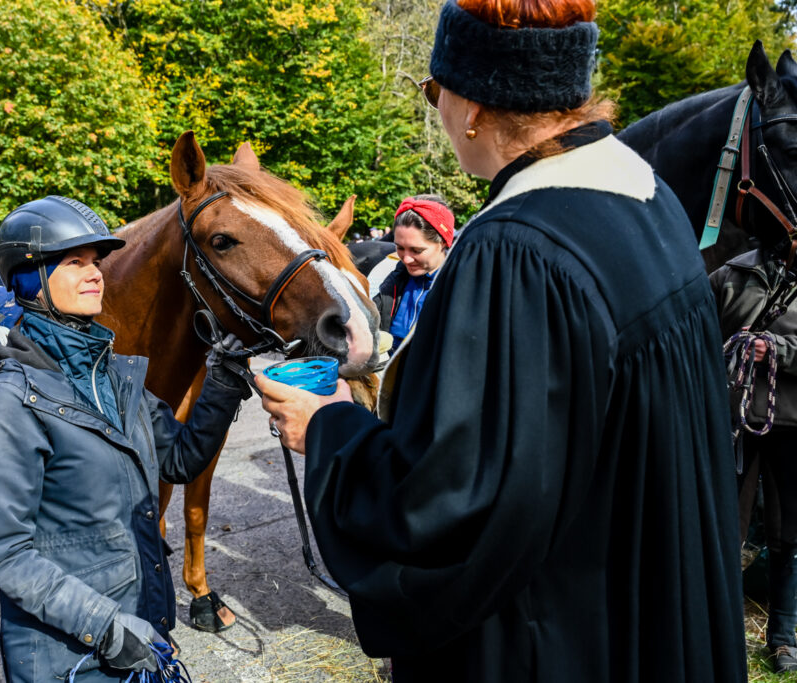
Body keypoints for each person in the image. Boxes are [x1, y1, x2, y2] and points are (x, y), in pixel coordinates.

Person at [254, 0, 746, 681]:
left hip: (557, 642)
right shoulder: (647, 199)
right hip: (645, 618)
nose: (439, 110)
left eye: (434, 93)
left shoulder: (515, 250)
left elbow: (451, 505)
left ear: (472, 103)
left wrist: (330, 428)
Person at [0, 195, 251, 683]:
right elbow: (3, 553)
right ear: (29, 280)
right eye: (75, 263)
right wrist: (110, 629)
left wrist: (222, 381)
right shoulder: (8, 402)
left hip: (140, 633)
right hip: (68, 658)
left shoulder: (116, 375)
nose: (96, 273)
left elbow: (179, 461)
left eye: (96, 262)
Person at [710, 242, 797, 672]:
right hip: (734, 426)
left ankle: (783, 640)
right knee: (726, 531)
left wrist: (778, 350)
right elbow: (698, 344)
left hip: (792, 429)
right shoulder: (728, 277)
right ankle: (721, 631)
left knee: (787, 538)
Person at [374, 195, 454, 353]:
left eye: (417, 250)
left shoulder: (458, 289)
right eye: (400, 248)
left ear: (443, 243)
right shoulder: (396, 280)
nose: (407, 259)